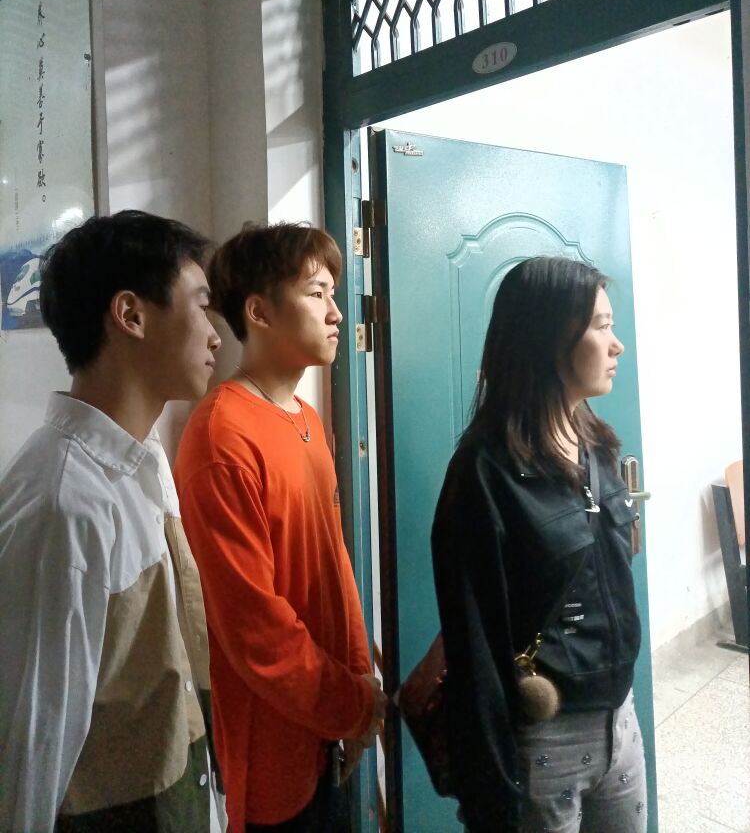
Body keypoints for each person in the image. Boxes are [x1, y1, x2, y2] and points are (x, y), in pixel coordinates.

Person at [0, 210, 222, 833]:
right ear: (131, 315)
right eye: (201, 306)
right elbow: (29, 755)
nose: (215, 336)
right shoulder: (63, 504)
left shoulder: (143, 461)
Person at [174, 221, 387, 833]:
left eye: (333, 294)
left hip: (326, 730)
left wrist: (358, 682)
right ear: (259, 312)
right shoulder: (222, 436)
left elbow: (334, 563)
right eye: (316, 294)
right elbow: (255, 630)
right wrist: (351, 705)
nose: (337, 313)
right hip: (270, 752)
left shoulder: (307, 420)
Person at [431, 256, 645, 833]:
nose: (617, 344)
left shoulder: (595, 444)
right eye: (601, 326)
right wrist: (490, 785)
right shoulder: (483, 472)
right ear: (551, 338)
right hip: (544, 743)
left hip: (620, 719)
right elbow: (474, 646)